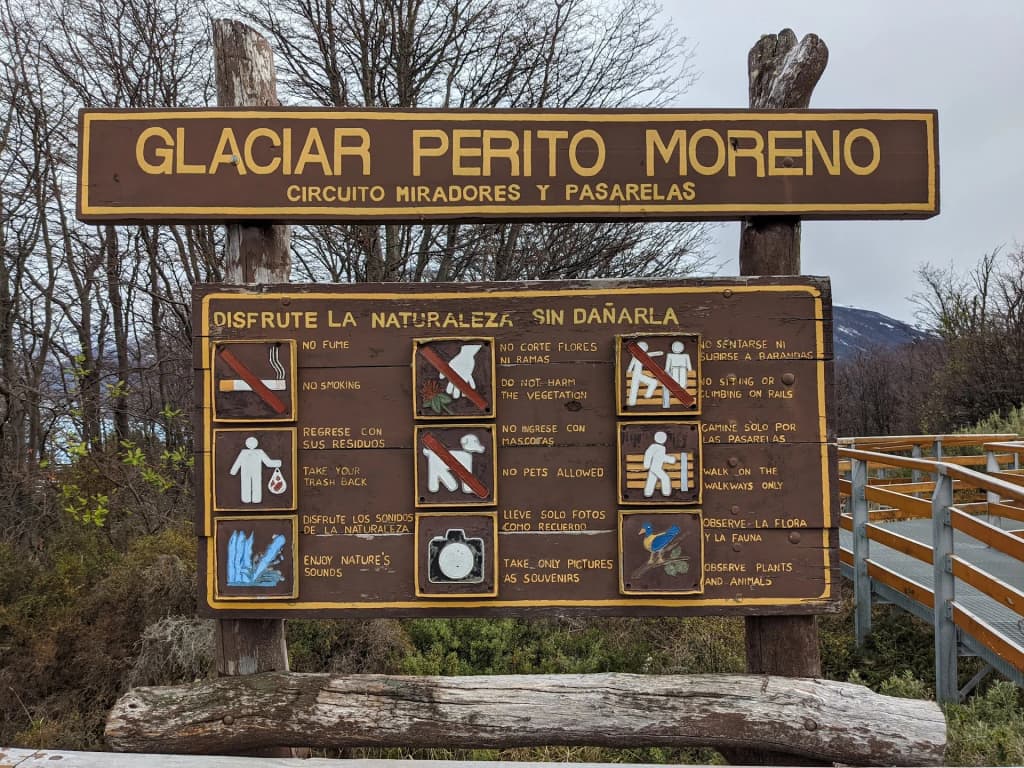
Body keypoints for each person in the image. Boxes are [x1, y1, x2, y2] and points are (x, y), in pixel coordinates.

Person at [229, 436, 282, 504]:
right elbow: (238, 462)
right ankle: (247, 499)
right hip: (246, 472)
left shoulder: (258, 452)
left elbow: (267, 462)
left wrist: (277, 463)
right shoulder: (244, 452)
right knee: (247, 484)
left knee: (255, 484)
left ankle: (254, 499)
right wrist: (233, 471)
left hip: (255, 472)